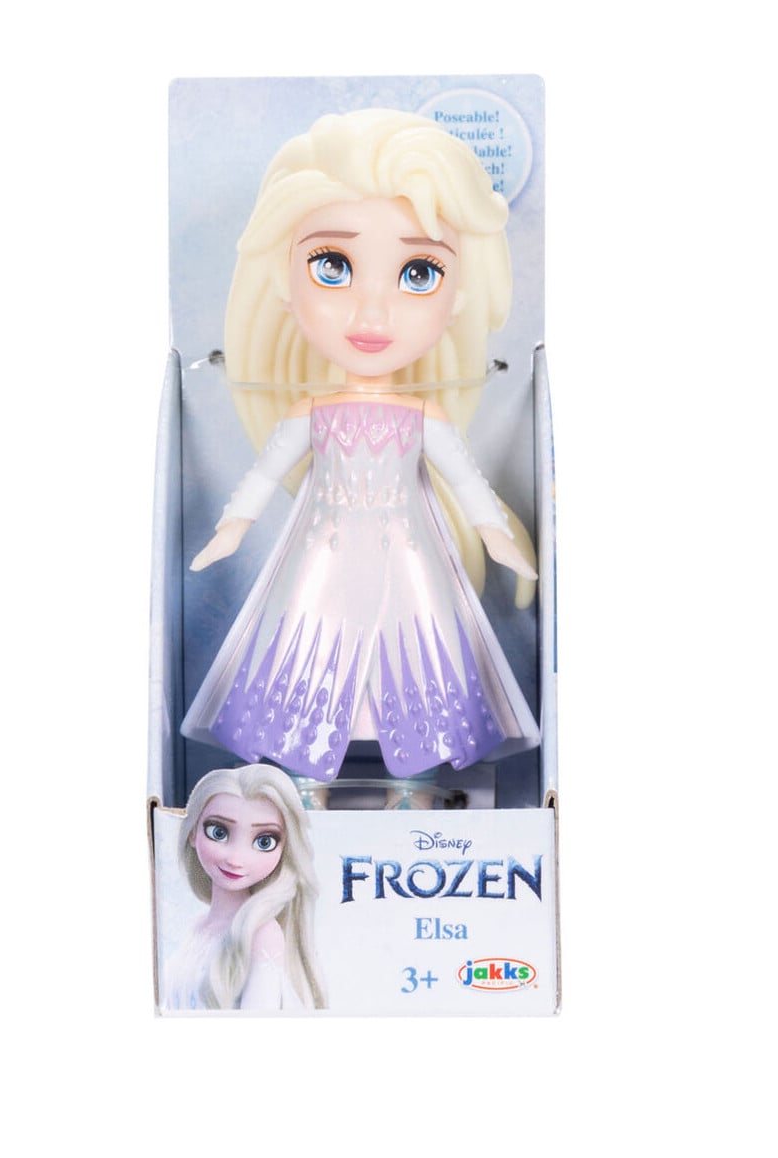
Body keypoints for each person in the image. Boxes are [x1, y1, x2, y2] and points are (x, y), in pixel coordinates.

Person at [181, 109, 540, 782]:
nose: (372, 312)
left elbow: (468, 484)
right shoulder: (312, 414)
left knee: (411, 650)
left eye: (419, 272)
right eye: (333, 265)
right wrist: (231, 528)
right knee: (318, 642)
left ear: (459, 294)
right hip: (324, 557)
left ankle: (412, 774)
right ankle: (310, 770)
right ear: (284, 279)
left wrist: (497, 537)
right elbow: (263, 476)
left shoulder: (423, 415)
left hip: (409, 557)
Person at [166, 764, 326, 1011]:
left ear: (286, 848)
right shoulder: (195, 927)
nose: (236, 859)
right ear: (192, 833)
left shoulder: (261, 933)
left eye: (264, 841)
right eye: (218, 832)